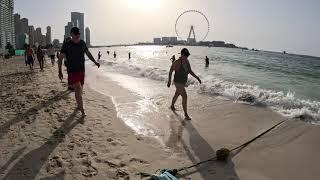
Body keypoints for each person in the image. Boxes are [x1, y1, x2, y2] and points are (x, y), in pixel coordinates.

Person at [58, 27, 100, 116]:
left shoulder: (82, 43)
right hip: (72, 71)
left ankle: (78, 105)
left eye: (78, 34)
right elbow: (60, 58)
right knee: (77, 88)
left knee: (80, 90)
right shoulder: (67, 44)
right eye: (75, 34)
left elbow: (88, 53)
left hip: (81, 70)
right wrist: (59, 71)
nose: (77, 35)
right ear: (71, 35)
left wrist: (95, 61)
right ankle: (82, 110)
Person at [167, 48, 201, 120]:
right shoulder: (177, 62)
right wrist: (169, 81)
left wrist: (197, 77)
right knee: (185, 96)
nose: (186, 57)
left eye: (187, 55)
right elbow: (170, 71)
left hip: (182, 82)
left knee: (177, 94)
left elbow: (190, 71)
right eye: (185, 55)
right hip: (177, 82)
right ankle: (186, 114)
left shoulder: (187, 61)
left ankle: (172, 106)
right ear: (182, 54)